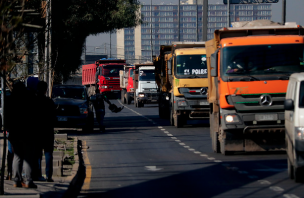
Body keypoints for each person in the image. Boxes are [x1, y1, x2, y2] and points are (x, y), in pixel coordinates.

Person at [6, 81, 38, 188]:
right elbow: (34, 115)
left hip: (15, 132)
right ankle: (28, 180)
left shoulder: (10, 100)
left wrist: (8, 130)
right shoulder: (29, 98)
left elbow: (7, 118)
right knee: (28, 156)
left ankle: (16, 180)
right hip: (27, 131)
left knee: (17, 156)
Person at [36, 81, 56, 182]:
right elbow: (54, 117)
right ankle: (48, 176)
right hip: (48, 130)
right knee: (48, 153)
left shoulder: (34, 101)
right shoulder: (49, 102)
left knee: (38, 153)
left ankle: (38, 174)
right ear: (46, 89)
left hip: (37, 131)